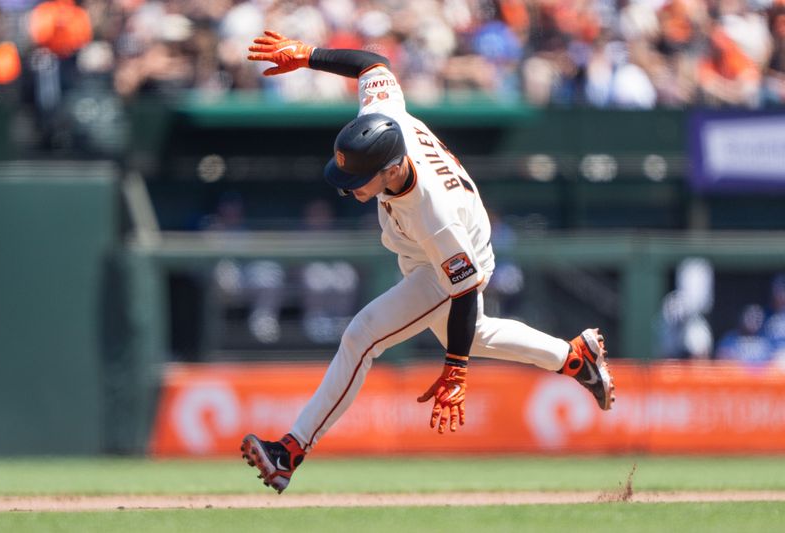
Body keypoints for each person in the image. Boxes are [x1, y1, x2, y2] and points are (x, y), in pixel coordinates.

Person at [240, 30, 615, 494]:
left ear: (392, 168)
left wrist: (454, 370)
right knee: (477, 334)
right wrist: (309, 56)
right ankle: (575, 358)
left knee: (361, 337)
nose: (345, 186)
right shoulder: (382, 118)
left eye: (356, 177)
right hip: (440, 244)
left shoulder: (432, 212)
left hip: (450, 259)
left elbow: (462, 290)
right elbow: (371, 65)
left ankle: (289, 451)